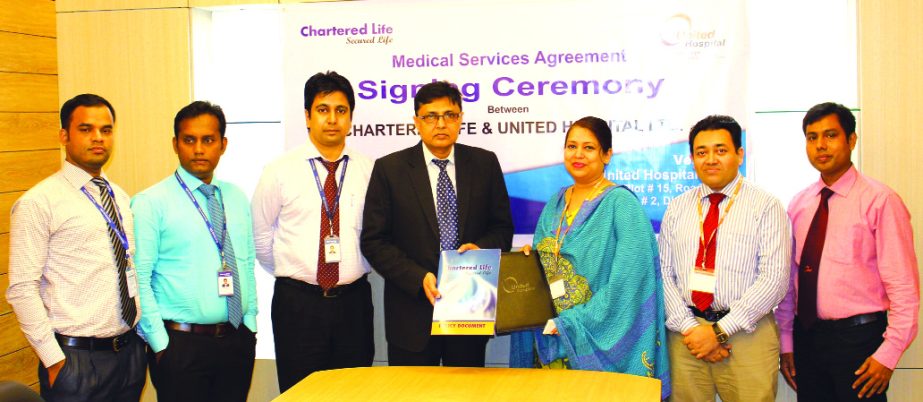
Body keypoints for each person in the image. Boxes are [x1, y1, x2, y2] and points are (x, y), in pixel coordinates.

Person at [508, 116, 671, 399]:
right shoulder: (555, 202)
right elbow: (542, 263)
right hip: (549, 341)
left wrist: (573, 323)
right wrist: (527, 263)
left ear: (607, 154)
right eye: (572, 146)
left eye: (589, 147)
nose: (578, 154)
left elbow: (629, 283)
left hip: (594, 341)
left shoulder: (622, 204)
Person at [361, 80, 514, 366]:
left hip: (469, 310)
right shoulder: (389, 169)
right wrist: (417, 277)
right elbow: (374, 240)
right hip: (411, 313)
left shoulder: (484, 164)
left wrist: (479, 248)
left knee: (466, 395)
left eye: (449, 115)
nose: (440, 124)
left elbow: (503, 228)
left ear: (460, 119)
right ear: (416, 122)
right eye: (431, 116)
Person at [6, 94, 146, 401]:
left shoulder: (119, 197)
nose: (98, 138)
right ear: (64, 136)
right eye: (86, 129)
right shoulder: (38, 202)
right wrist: (54, 360)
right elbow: (21, 288)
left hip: (128, 353)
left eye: (106, 130)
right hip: (77, 360)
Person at [777, 102, 919, 401]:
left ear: (851, 140)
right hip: (808, 339)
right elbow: (790, 282)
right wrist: (787, 341)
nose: (820, 145)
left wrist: (888, 355)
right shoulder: (799, 204)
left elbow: (904, 289)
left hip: (860, 341)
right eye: (812, 137)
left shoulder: (880, 201)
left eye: (830, 135)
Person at [251, 71, 375, 392]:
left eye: (341, 110)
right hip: (298, 305)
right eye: (323, 110)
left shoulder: (369, 171)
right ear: (307, 116)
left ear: (350, 118)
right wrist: (297, 275)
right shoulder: (279, 171)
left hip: (354, 303)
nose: (332, 119)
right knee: (299, 393)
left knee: (354, 393)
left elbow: (378, 236)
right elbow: (261, 239)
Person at [131, 101, 258, 402]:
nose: (199, 149)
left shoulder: (236, 197)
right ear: (176, 144)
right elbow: (139, 278)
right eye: (190, 140)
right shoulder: (151, 203)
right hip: (181, 346)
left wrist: (250, 322)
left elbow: (247, 262)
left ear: (223, 144)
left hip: (236, 341)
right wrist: (160, 344)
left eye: (208, 140)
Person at [659, 115, 791, 401]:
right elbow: (664, 275)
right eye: (701, 152)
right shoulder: (677, 208)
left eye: (720, 150)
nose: (710, 160)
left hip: (746, 334)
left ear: (739, 154)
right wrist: (692, 330)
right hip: (687, 338)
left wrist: (719, 332)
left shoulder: (766, 206)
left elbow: (774, 280)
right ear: (692, 158)